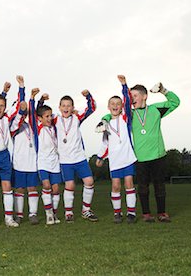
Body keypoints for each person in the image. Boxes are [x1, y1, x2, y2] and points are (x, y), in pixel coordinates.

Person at [97, 80, 180, 222]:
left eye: (135, 95)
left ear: (144, 96)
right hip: (140, 157)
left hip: (158, 154)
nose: (132, 99)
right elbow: (112, 115)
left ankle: (162, 213)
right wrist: (104, 119)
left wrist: (163, 90)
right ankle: (146, 214)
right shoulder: (130, 116)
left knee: (159, 185)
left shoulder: (155, 110)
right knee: (143, 187)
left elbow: (175, 102)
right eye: (131, 96)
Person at [95, 75, 137, 224]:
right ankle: (117, 213)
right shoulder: (105, 124)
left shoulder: (125, 118)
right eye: (112, 103)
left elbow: (127, 103)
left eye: (118, 103)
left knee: (129, 184)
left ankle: (131, 213)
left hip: (128, 157)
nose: (115, 105)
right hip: (115, 160)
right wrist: (100, 157)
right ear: (108, 106)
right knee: (115, 185)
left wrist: (124, 85)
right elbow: (105, 143)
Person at [0, 76, 26, 228]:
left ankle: (9, 218)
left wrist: (21, 86)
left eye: (2, 106)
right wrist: (3, 92)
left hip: (4, 155)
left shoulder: (7, 118)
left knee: (7, 187)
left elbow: (18, 108)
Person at [54, 90, 98, 223]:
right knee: (70, 185)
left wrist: (88, 96)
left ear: (73, 108)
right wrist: (41, 100)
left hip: (79, 158)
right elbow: (41, 115)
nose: (66, 108)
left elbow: (92, 108)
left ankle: (86, 210)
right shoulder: (55, 119)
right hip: (65, 159)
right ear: (59, 107)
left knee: (89, 182)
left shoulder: (77, 118)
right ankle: (68, 213)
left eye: (69, 106)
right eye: (64, 106)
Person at [31, 91, 63, 225]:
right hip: (43, 161)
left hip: (55, 161)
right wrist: (38, 100)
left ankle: (54, 214)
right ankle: (48, 214)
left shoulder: (53, 127)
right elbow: (33, 113)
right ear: (40, 118)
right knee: (46, 185)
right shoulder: (37, 127)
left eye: (50, 116)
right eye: (46, 116)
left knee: (56, 189)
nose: (49, 118)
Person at [11, 85, 40, 225]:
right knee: (20, 189)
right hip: (19, 162)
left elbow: (33, 115)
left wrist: (32, 99)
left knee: (32, 188)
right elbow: (19, 115)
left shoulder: (32, 126)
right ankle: (20, 215)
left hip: (32, 162)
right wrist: (21, 90)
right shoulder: (13, 127)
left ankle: (33, 214)